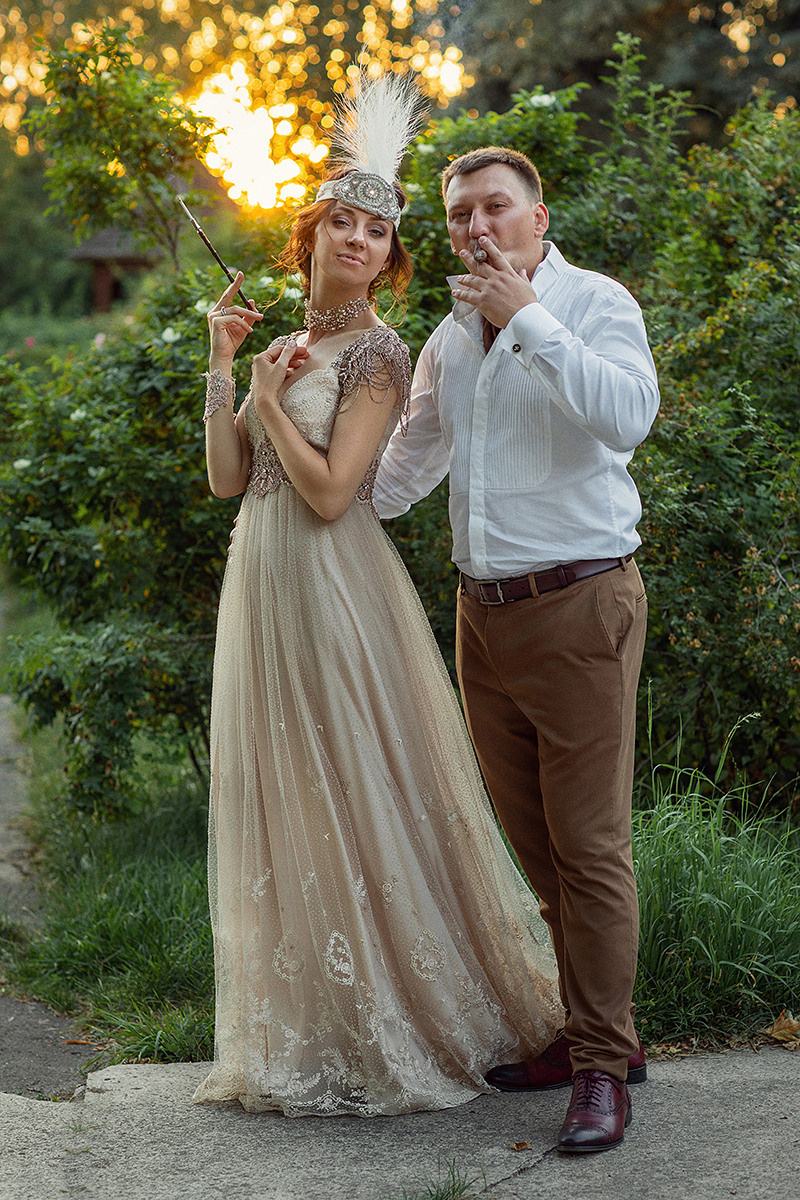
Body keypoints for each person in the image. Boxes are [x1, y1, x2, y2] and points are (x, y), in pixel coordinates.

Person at [191, 83, 563, 1119]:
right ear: (306, 239)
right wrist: (225, 366)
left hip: (332, 582)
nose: (356, 239)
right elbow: (229, 479)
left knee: (359, 783)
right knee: (290, 793)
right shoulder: (281, 345)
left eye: (376, 230)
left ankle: (414, 1011)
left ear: (389, 257)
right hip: (260, 581)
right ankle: (315, 1021)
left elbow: (328, 490)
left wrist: (271, 397)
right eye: (341, 223)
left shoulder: (377, 353)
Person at [373, 146, 660, 1151]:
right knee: (535, 849)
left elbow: (627, 419)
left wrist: (525, 320)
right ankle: (593, 1037)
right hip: (481, 618)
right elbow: (403, 465)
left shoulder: (592, 306)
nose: (475, 227)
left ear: (536, 220)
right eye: (458, 216)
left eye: (494, 207)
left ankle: (599, 1069)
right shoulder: (449, 340)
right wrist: (303, 486)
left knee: (587, 851)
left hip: (579, 607)